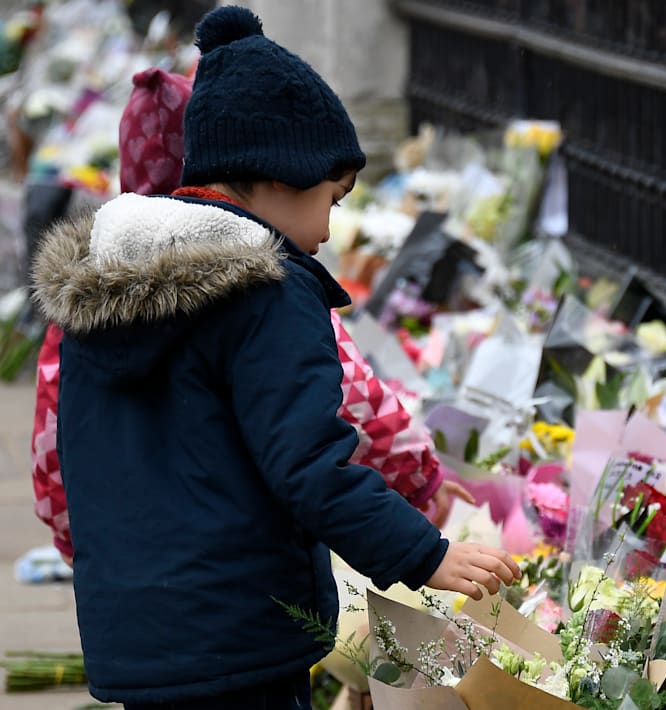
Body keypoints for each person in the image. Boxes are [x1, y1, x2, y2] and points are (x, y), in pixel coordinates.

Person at [28, 7, 517, 708]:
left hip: (138, 636)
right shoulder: (269, 294)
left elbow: (79, 467)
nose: (329, 230)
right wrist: (426, 555)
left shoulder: (98, 293)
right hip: (242, 633)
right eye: (333, 199)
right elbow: (310, 464)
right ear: (283, 176)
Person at [31, 65, 468, 568]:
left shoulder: (84, 303)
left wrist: (76, 541)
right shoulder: (263, 291)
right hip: (236, 583)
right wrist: (418, 483)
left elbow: (53, 443)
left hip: (121, 579)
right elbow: (348, 408)